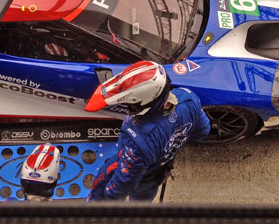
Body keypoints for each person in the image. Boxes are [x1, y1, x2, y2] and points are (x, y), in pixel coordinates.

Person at [84, 60, 210, 202]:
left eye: (130, 104)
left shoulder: (137, 138)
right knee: (141, 206)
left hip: (138, 170)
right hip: (156, 175)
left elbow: (124, 183)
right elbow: (203, 131)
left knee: (101, 188)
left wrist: (110, 195)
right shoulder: (189, 98)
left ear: (142, 103)